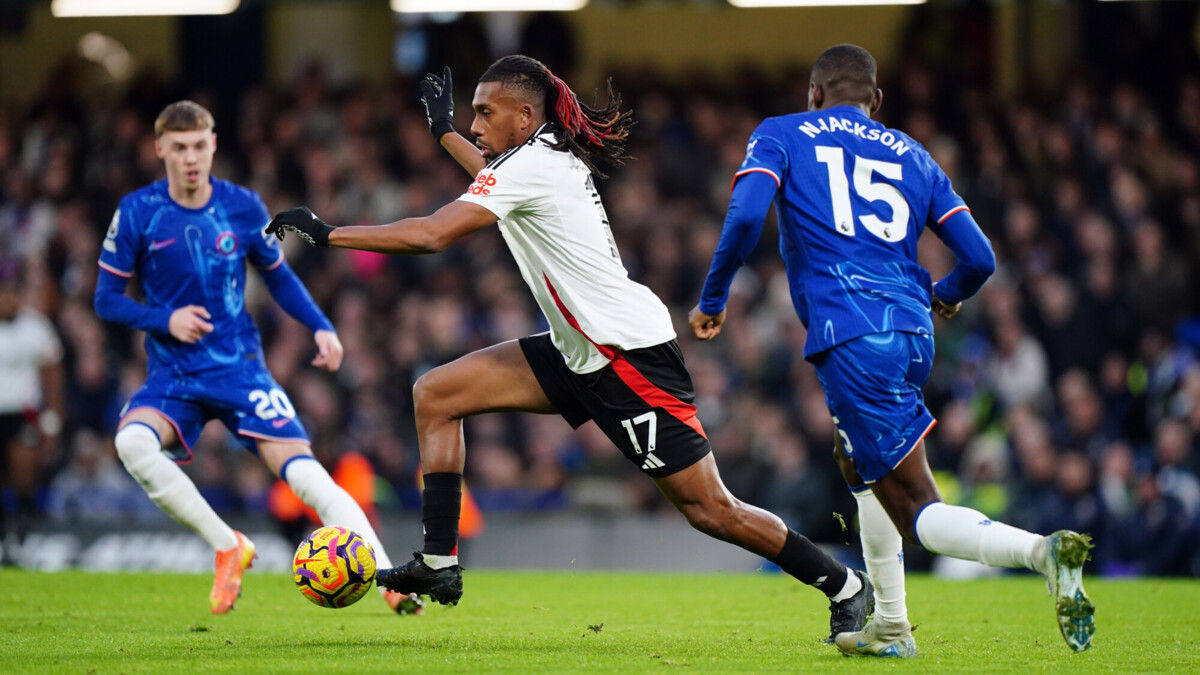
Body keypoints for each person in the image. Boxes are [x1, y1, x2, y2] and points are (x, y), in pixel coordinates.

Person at [268, 55, 874, 642]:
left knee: (711, 510)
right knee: (437, 393)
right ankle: (438, 561)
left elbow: (431, 235)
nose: (476, 124)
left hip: (625, 358)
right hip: (576, 350)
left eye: (485, 112)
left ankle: (845, 585)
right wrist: (443, 131)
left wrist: (326, 232)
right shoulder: (535, 156)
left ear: (525, 117)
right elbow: (483, 166)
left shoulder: (534, 167)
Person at [689, 44, 1095, 656]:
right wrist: (946, 295)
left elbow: (746, 219)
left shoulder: (783, 133)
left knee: (916, 508)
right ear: (876, 101)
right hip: (910, 331)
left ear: (814, 93)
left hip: (853, 334)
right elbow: (980, 258)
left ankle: (1043, 553)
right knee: (854, 459)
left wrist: (713, 298)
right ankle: (891, 626)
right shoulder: (914, 154)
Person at [93, 101, 421, 616]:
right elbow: (105, 299)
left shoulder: (242, 205)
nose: (190, 158)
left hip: (240, 370)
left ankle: (388, 577)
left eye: (199, 145)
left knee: (309, 479)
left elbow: (278, 276)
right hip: (174, 374)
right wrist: (164, 320)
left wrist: (320, 325)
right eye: (178, 148)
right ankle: (228, 545)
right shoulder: (137, 211)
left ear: (214, 145)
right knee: (131, 443)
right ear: (160, 150)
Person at [0, 257, 64, 564]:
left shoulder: (36, 327)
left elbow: (52, 376)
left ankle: (25, 534)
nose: (8, 299)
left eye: (13, 292)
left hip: (23, 412)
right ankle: (6, 540)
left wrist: (51, 421)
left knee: (24, 475)